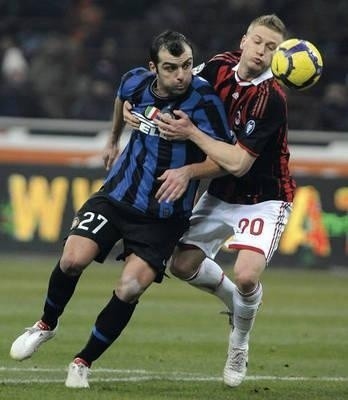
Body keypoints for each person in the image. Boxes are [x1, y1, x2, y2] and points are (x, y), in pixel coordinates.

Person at [9, 30, 232, 388]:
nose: (182, 75)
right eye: (172, 68)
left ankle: (83, 361)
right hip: (117, 197)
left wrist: (190, 168)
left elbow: (229, 161)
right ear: (153, 68)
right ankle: (46, 325)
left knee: (129, 288)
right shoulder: (134, 81)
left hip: (162, 217)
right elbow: (120, 99)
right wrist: (113, 139)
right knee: (71, 259)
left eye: (187, 66)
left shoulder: (205, 101)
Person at [124, 14, 296, 388]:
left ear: (279, 56)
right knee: (182, 265)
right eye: (258, 42)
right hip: (221, 194)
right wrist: (133, 103)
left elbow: (236, 163)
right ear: (244, 40)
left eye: (272, 47)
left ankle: (239, 342)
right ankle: (238, 305)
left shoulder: (272, 99)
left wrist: (190, 134)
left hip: (265, 198)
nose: (262, 51)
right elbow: (171, 85)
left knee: (247, 274)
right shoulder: (218, 65)